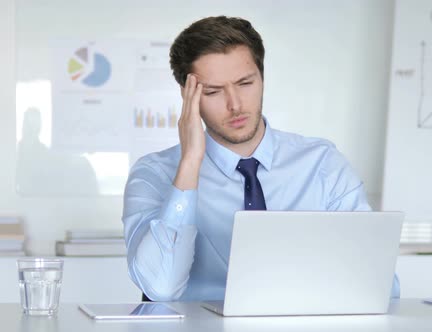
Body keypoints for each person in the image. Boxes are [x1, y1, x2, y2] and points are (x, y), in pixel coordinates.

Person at [122, 15, 400, 301]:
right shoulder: (154, 174)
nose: (235, 105)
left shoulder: (323, 165)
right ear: (188, 95)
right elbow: (160, 288)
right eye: (214, 91)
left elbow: (380, 285)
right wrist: (191, 162)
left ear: (262, 77)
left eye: (245, 83)